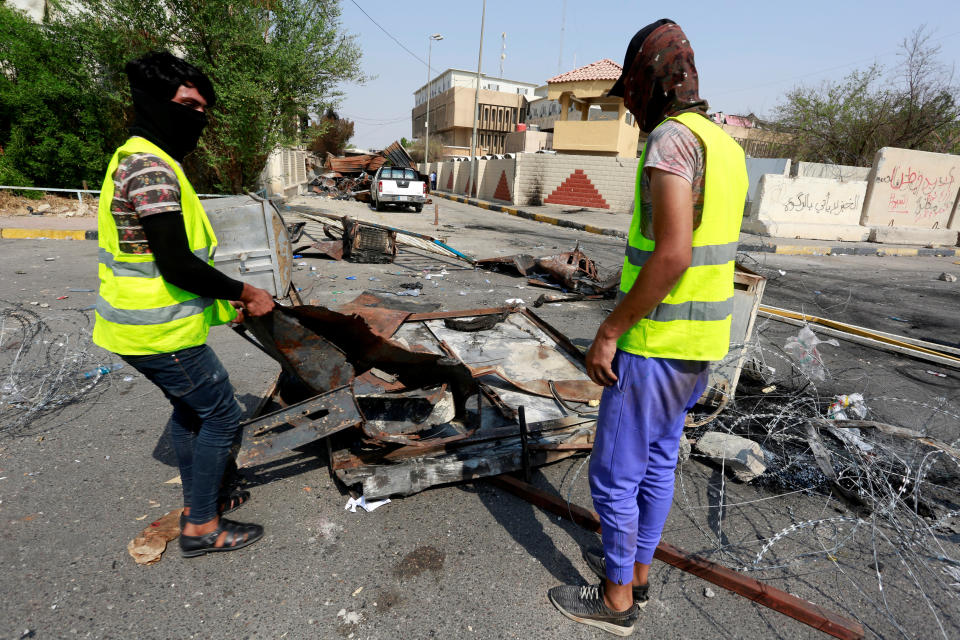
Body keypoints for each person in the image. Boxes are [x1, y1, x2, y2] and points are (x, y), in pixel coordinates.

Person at [547, 20, 748, 636]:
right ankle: (636, 571)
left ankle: (614, 601)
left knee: (612, 473)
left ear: (648, 82)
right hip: (702, 344)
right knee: (659, 461)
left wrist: (610, 329)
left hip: (655, 344)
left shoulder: (670, 143)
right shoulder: (725, 143)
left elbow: (672, 254)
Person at [92, 51, 276, 558]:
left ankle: (208, 496)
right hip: (156, 332)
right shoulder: (151, 168)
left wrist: (221, 307)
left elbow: (161, 259)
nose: (198, 116)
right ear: (154, 103)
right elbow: (177, 265)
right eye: (187, 104)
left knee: (191, 409)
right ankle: (202, 527)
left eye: (203, 108)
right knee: (219, 414)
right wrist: (248, 292)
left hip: (137, 327)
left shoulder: (135, 155)